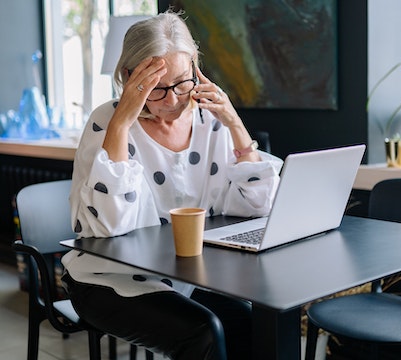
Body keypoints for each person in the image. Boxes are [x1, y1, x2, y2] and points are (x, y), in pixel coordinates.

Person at [61, 9, 283, 360]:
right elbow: (108, 228)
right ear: (129, 76)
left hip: (189, 274)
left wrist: (234, 123)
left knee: (249, 323)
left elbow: (256, 205)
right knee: (201, 333)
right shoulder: (107, 121)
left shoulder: (208, 117)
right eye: (157, 87)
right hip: (106, 277)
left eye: (183, 82)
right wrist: (121, 125)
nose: (174, 100)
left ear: (197, 70)